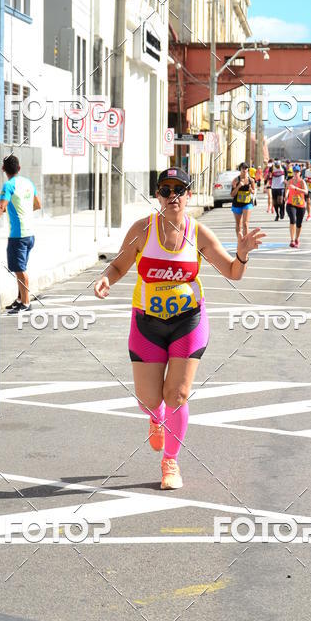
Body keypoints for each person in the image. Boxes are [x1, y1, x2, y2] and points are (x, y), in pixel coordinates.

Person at [93, 168, 266, 490]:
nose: (172, 196)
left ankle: (170, 462)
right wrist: (106, 279)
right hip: (147, 322)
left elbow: (233, 272)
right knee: (149, 399)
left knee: (177, 394)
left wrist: (242, 255)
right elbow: (118, 265)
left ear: (188, 195)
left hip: (188, 321)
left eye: (179, 190)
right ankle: (155, 416)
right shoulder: (142, 229)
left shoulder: (198, 233)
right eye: (165, 190)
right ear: (157, 195)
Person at [0, 154, 42, 312]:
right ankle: (20, 299)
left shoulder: (8, 185)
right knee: (21, 268)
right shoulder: (28, 183)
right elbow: (37, 205)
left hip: (18, 235)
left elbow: (1, 206)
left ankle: (26, 303)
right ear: (19, 168)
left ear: (3, 169)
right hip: (30, 234)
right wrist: (22, 210)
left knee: (19, 270)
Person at [230, 162, 256, 238]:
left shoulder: (251, 180)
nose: (244, 170)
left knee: (245, 224)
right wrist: (238, 186)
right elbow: (232, 194)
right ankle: (240, 241)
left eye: (246, 168)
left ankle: (245, 241)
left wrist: (251, 190)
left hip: (247, 203)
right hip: (237, 204)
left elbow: (254, 191)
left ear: (248, 170)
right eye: (243, 168)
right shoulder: (235, 180)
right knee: (238, 224)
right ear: (240, 169)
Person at [285, 166, 308, 248]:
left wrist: (296, 188)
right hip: (291, 204)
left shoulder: (302, 182)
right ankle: (292, 240)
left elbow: (306, 192)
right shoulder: (289, 181)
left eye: (297, 172)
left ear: (300, 173)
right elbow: (287, 189)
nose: (296, 173)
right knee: (293, 220)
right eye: (295, 171)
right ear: (293, 172)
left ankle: (297, 239)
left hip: (301, 205)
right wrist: (286, 195)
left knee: (299, 223)